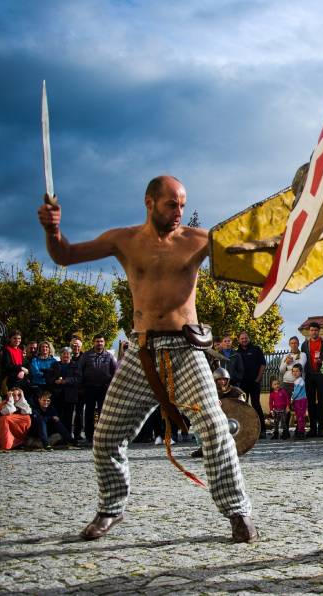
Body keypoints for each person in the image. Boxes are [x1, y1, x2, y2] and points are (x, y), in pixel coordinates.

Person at [38, 174, 255, 542]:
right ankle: (111, 508)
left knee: (216, 429)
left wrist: (287, 239)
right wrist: (53, 231)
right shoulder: (123, 240)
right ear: (149, 202)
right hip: (141, 353)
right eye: (172, 204)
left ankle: (237, 511)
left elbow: (249, 256)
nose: (178, 212)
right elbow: (65, 255)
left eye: (183, 205)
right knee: (105, 436)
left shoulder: (198, 240)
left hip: (186, 351)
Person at [78, 334, 118, 445]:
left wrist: (112, 388)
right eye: (97, 341)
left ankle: (102, 437)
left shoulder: (109, 356)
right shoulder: (86, 355)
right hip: (89, 388)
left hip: (104, 389)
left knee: (103, 414)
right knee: (89, 413)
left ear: (104, 343)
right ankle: (89, 437)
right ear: (93, 342)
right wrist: (80, 387)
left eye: (101, 341)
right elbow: (80, 371)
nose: (99, 343)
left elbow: (114, 373)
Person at [303, 322, 323, 438]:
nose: (313, 332)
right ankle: (312, 429)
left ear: (319, 331)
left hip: (321, 375)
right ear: (309, 331)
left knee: (321, 402)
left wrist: (322, 361)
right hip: (309, 375)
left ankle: (321, 429)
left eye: (315, 330)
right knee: (310, 402)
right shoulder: (305, 344)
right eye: (311, 330)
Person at [236, 331, 267, 439]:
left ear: (249, 338)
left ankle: (262, 430)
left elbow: (263, 364)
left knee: (256, 406)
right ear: (239, 340)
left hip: (254, 383)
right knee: (243, 408)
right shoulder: (237, 352)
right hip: (242, 384)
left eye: (246, 338)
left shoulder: (256, 349)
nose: (244, 340)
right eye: (242, 338)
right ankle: (244, 431)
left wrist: (258, 379)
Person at [48, 347, 81, 443]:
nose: (66, 356)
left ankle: (68, 438)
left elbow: (78, 379)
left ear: (71, 355)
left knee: (68, 417)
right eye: (64, 354)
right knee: (58, 417)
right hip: (57, 395)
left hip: (70, 395)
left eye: (68, 354)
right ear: (60, 355)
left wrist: (65, 381)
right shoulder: (55, 365)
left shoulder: (75, 365)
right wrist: (55, 381)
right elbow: (49, 378)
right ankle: (57, 438)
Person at [278, 336, 307, 433]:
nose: (294, 345)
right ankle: (285, 430)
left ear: (298, 344)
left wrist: (292, 363)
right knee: (285, 406)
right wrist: (286, 362)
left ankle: (299, 430)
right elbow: (281, 370)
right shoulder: (286, 355)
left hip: (297, 385)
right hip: (286, 384)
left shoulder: (302, 354)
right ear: (289, 344)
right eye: (292, 343)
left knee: (298, 407)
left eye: (295, 343)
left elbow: (301, 366)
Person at [28, 340, 58, 406]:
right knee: (38, 404)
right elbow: (35, 372)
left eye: (46, 347)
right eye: (42, 347)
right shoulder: (35, 360)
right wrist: (47, 373)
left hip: (49, 385)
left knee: (49, 405)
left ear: (49, 349)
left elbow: (55, 374)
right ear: (39, 349)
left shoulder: (54, 361)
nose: (44, 348)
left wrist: (44, 373)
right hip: (38, 385)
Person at [289, 364, 308, 439]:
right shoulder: (297, 380)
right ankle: (299, 431)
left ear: (301, 372)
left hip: (301, 401)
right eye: (293, 371)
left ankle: (301, 433)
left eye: (297, 371)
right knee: (299, 416)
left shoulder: (299, 380)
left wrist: (292, 399)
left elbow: (296, 392)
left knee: (300, 417)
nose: (295, 373)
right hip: (298, 401)